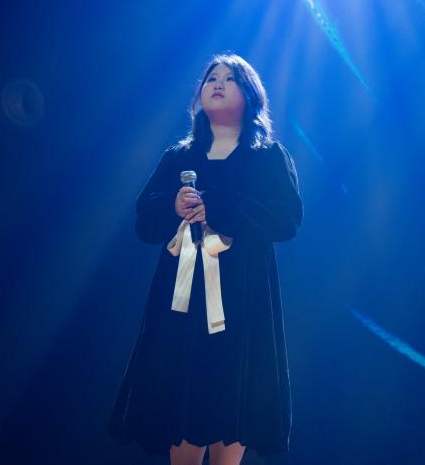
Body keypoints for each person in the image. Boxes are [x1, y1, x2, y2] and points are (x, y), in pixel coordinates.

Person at [110, 54, 303, 465]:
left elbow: (287, 219)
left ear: (250, 95)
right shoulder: (178, 157)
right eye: (211, 77)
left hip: (241, 297)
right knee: (180, 393)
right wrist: (173, 206)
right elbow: (144, 222)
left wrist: (218, 208)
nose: (217, 83)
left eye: (230, 79)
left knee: (233, 393)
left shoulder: (268, 156)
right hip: (181, 299)